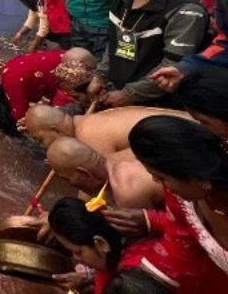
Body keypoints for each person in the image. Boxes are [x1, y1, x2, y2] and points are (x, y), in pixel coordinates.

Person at [88, 0, 210, 108]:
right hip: (120, 95)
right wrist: (100, 76)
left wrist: (129, 94)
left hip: (159, 105)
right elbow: (115, 43)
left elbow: (173, 65)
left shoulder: (184, 10)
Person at [123, 116, 228, 290]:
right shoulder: (183, 199)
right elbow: (180, 239)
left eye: (162, 177)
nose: (155, 181)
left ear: (201, 180)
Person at [0, 47, 93, 136]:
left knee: (71, 118)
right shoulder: (5, 72)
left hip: (74, 73)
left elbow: (22, 117)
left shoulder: (11, 85)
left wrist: (2, 132)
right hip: (73, 61)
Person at [24, 102, 191, 156]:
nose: (44, 146)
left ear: (57, 130)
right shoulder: (86, 122)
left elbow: (94, 193)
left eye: (41, 139)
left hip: (190, 140)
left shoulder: (89, 137)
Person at [46, 137, 164, 209]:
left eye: (67, 179)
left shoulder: (125, 193)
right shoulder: (113, 164)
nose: (70, 184)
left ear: (86, 174)